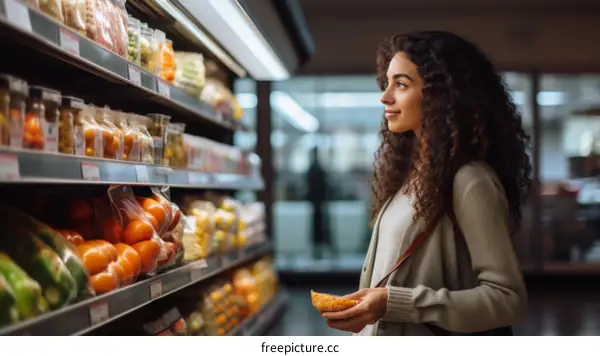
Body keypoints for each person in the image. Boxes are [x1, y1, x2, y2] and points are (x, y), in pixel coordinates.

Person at [321, 31, 532, 336]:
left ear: (441, 96)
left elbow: (507, 300)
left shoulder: (469, 180)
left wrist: (394, 302)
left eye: (401, 85)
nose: (385, 96)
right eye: (387, 83)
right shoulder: (411, 176)